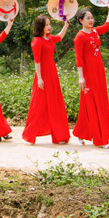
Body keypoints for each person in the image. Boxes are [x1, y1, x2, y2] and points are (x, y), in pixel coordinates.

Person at [23, 15, 71, 145]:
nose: (49, 27)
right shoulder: (37, 41)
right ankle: (30, 133)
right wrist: (39, 78)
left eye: (50, 24)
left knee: (55, 102)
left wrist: (66, 24)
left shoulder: (49, 38)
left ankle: (59, 135)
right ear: (40, 26)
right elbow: (37, 60)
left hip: (52, 73)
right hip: (43, 74)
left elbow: (60, 37)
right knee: (39, 104)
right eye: (47, 24)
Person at [72, 3, 109, 148]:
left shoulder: (95, 31)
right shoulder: (79, 37)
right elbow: (79, 59)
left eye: (92, 18)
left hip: (99, 71)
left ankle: (80, 132)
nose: (91, 20)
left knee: (95, 102)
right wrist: (81, 77)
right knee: (93, 102)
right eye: (88, 18)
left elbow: (108, 24)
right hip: (88, 74)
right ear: (81, 21)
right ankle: (100, 139)